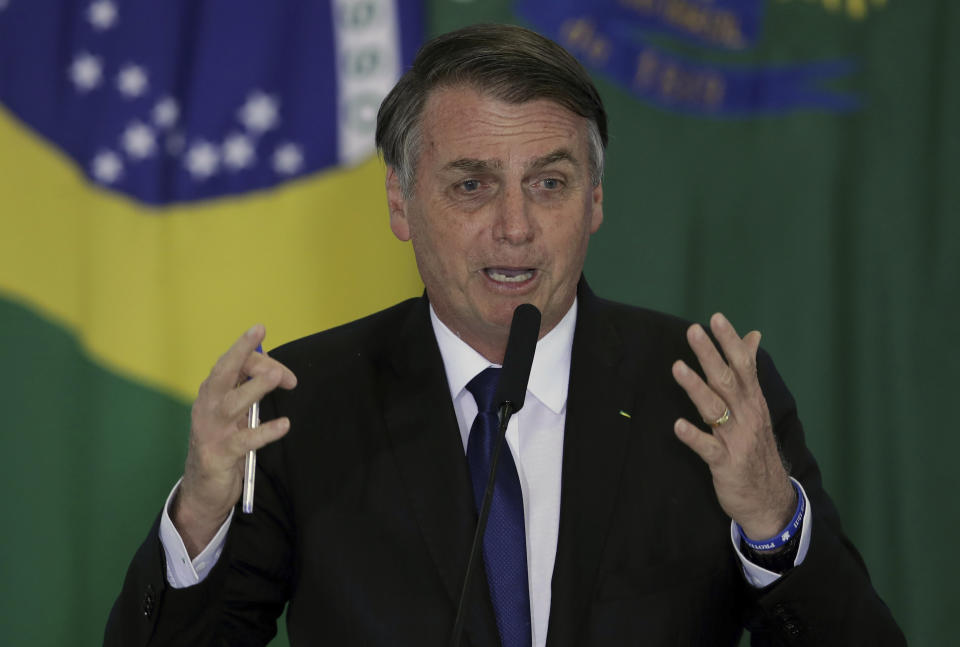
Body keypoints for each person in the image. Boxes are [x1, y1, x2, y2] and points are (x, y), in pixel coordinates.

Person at [105, 23, 904, 646]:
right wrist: (200, 518)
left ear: (594, 201)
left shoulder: (705, 393)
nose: (514, 228)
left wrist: (772, 524)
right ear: (400, 202)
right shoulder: (300, 406)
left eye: (549, 184)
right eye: (472, 184)